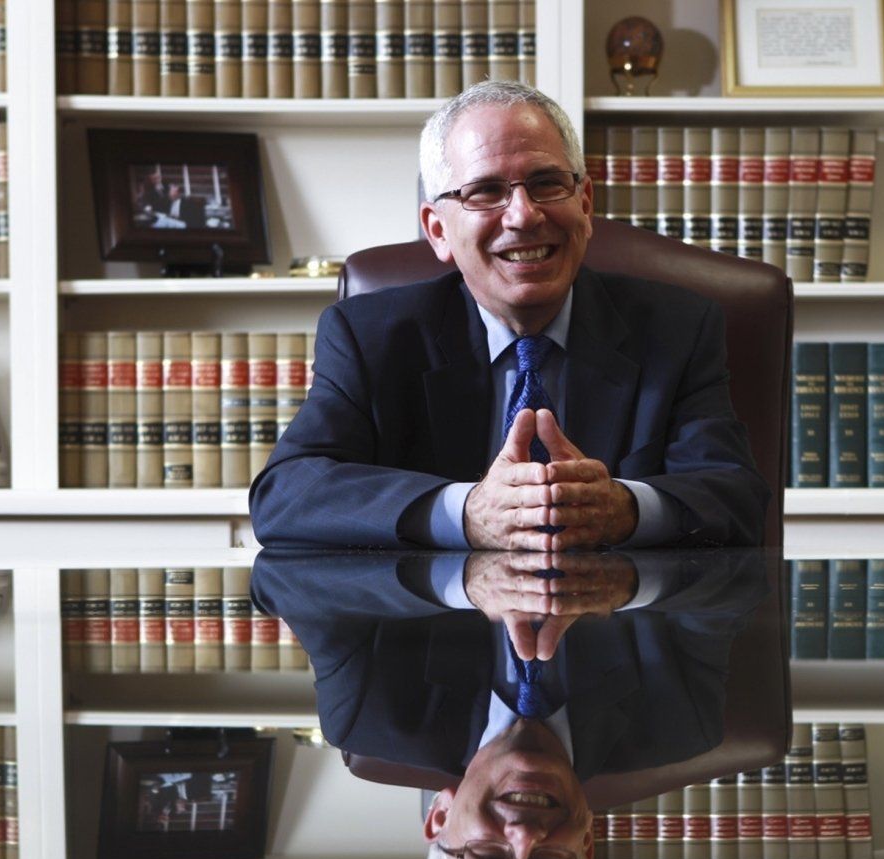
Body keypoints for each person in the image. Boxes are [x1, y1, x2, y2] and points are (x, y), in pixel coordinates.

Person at [249, 81, 768, 551]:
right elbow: (288, 493)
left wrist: (624, 509)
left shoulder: (677, 329)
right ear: (437, 230)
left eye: (547, 183)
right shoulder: (369, 337)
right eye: (486, 191)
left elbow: (733, 494)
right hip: (430, 643)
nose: (523, 215)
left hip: (620, 634)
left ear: (585, 205)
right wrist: (466, 511)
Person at [252, 549, 771, 859]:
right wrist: (629, 579)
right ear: (586, 846)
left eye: (488, 855)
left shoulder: (373, 713)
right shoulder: (678, 722)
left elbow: (281, 576)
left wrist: (461, 580)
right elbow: (741, 577)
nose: (525, 837)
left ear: (439, 819)